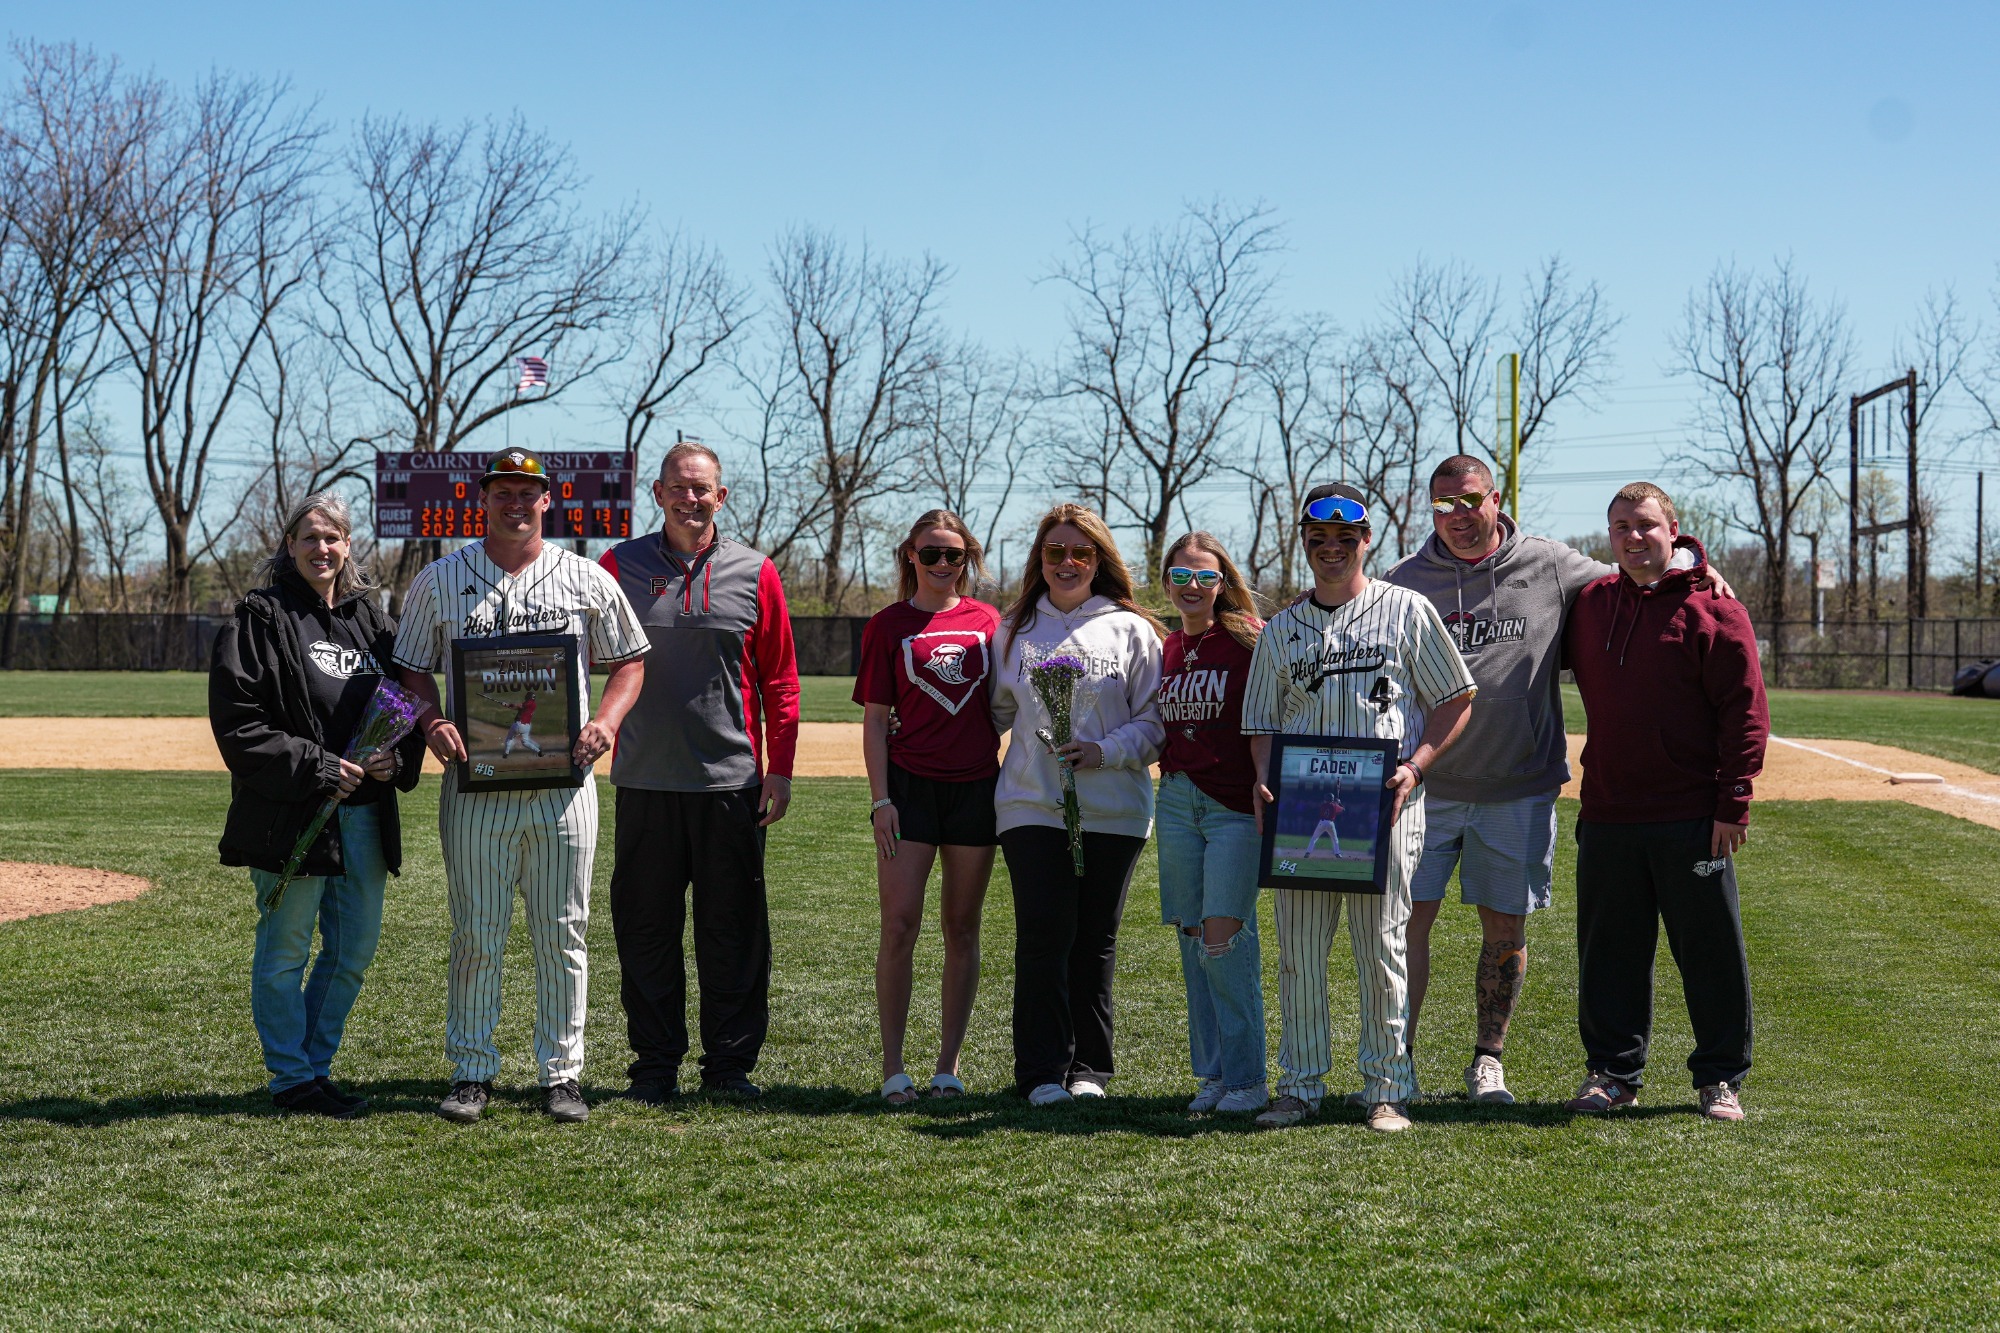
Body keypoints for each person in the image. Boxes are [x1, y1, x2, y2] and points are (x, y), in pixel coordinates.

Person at [1384, 453, 1733, 1104]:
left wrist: (1699, 571)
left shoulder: (1550, 563)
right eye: (1442, 505)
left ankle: (1487, 1060)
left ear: (1496, 499)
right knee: (1406, 927)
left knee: (1505, 932)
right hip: (1424, 787)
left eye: (1470, 502)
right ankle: (1396, 1059)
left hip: (1517, 784)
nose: (1457, 518)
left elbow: (1639, 574)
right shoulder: (1404, 581)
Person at [394, 447, 650, 1125]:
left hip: (564, 789)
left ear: (548, 500)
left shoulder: (586, 577)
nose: (516, 503)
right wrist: (431, 719)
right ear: (484, 498)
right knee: (477, 931)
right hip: (475, 786)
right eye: (503, 491)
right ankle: (472, 1068)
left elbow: (629, 662)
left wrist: (605, 720)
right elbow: (412, 669)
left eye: (527, 493)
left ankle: (561, 1073)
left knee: (563, 930)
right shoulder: (440, 579)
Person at [1241, 483, 1476, 1134]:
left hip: (1387, 806)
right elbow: (1261, 720)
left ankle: (1386, 1087)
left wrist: (1414, 765)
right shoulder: (1281, 630)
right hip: (1302, 808)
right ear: (1306, 545)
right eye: (1319, 540)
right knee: (1300, 953)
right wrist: (1262, 777)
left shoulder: (1406, 610)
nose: (1333, 549)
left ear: (1367, 540)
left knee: (1383, 948)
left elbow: (1456, 697)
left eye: (1346, 538)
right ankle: (1299, 1086)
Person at [210, 491, 427, 1119]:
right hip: (292, 814)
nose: (322, 548)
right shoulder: (260, 617)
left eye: (333, 537)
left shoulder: (374, 622)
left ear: (349, 544)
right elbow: (239, 725)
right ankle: (291, 1078)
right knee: (285, 949)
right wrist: (320, 767)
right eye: (309, 537)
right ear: (289, 546)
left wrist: (396, 759)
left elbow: (405, 705)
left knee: (353, 950)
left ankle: (311, 1067)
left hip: (362, 813)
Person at [598, 439, 801, 1103]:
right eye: (678, 488)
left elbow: (781, 679)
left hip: (731, 785)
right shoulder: (616, 565)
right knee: (646, 931)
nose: (691, 498)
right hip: (645, 782)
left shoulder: (755, 571)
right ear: (657, 495)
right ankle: (653, 1068)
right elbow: (577, 658)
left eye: (702, 488)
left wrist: (781, 770)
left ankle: (729, 1068)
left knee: (733, 934)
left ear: (722, 496)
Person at [1561, 482, 1767, 1122]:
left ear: (1673, 529)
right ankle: (1613, 1074)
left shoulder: (1714, 607)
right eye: (1620, 526)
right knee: (1609, 952)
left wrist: (1733, 799)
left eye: (1645, 524)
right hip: (1609, 810)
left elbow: (1745, 710)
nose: (1632, 536)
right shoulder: (1591, 603)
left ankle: (1719, 1077)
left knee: (1709, 950)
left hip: (1690, 815)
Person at [991, 504, 1165, 1106]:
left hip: (1115, 810)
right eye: (1055, 553)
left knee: (1095, 938)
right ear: (1040, 560)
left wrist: (1105, 751)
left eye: (1081, 554)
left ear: (1100, 560)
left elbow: (1156, 721)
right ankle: (1041, 1072)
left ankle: (1090, 1070)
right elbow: (995, 713)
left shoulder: (1131, 629)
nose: (1067, 563)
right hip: (1030, 806)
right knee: (1043, 933)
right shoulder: (1012, 628)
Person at [853, 510, 1001, 1104]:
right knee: (900, 926)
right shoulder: (888, 626)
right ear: (909, 555)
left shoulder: (992, 622)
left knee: (963, 928)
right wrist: (881, 799)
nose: (943, 564)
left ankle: (948, 1067)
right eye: (931, 553)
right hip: (909, 791)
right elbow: (871, 721)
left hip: (976, 789)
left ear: (968, 559)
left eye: (954, 554)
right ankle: (893, 1070)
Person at [1153, 531, 1268, 1115]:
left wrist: (1265, 778)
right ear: (1166, 581)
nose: (1192, 586)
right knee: (1194, 939)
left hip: (1232, 809)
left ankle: (1249, 1078)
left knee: (1226, 939)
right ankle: (1214, 1075)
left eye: (1205, 576)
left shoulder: (1248, 639)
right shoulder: (1169, 647)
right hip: (1175, 802)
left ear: (1223, 581)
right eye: (1181, 576)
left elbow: (1274, 714)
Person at [1303, 794, 1347, 859]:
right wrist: (1339, 803)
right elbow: (1343, 810)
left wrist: (1336, 803)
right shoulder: (1335, 806)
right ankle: (1337, 853)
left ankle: (1308, 852)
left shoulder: (1323, 805)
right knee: (1335, 839)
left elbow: (1328, 805)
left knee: (1314, 838)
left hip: (1322, 822)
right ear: (1332, 799)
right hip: (1330, 823)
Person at [502, 692, 542, 757]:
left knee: (510, 738)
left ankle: (506, 752)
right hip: (527, 727)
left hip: (519, 724)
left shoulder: (528, 703)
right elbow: (517, 707)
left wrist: (507, 704)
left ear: (528, 697)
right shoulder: (533, 705)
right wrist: (507, 705)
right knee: (525, 742)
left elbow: (519, 705)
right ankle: (538, 751)